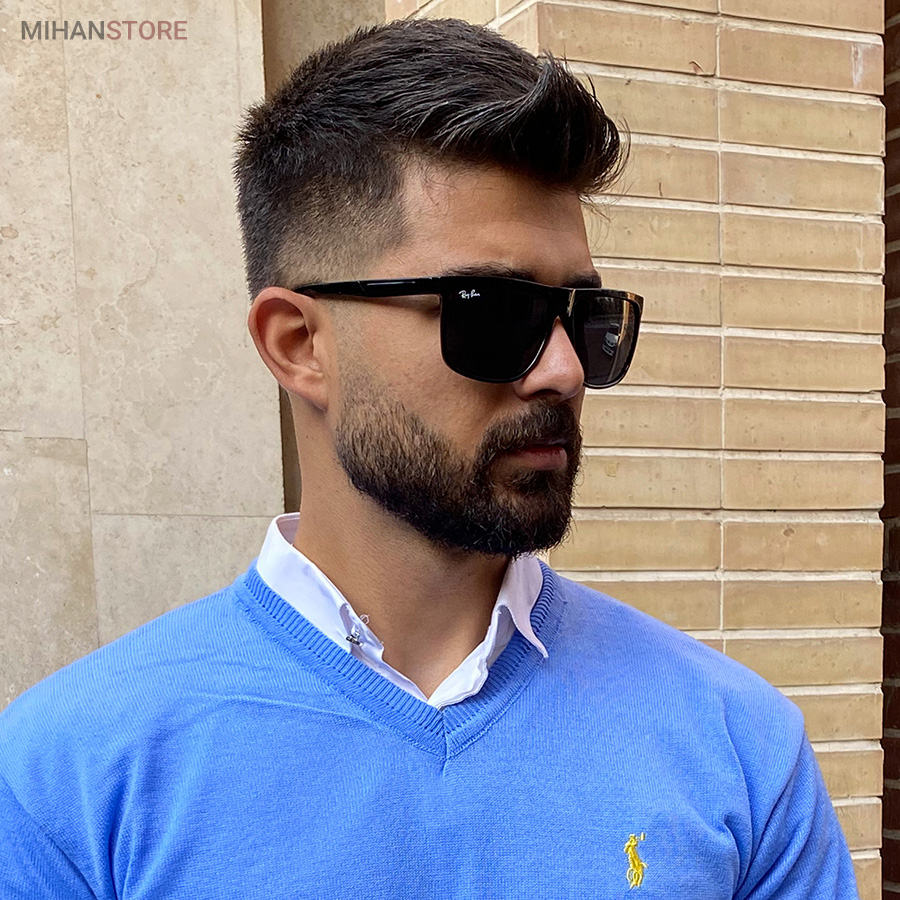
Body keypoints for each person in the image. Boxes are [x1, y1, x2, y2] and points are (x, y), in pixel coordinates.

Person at [0, 17, 859, 899]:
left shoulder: (740, 749)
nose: (564, 371)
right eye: (493, 312)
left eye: (586, 319)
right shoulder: (72, 781)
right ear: (298, 343)